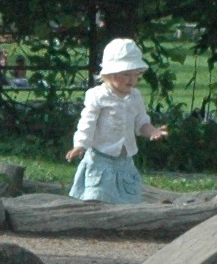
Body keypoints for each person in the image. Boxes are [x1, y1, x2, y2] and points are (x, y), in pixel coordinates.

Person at [65, 37, 168, 201]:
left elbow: (141, 121)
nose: (132, 79)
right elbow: (87, 123)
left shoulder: (135, 97)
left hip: (124, 161)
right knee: (98, 196)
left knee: (126, 198)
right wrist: (80, 145)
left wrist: (152, 131)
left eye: (136, 75)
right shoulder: (98, 95)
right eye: (126, 74)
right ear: (110, 74)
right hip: (101, 158)